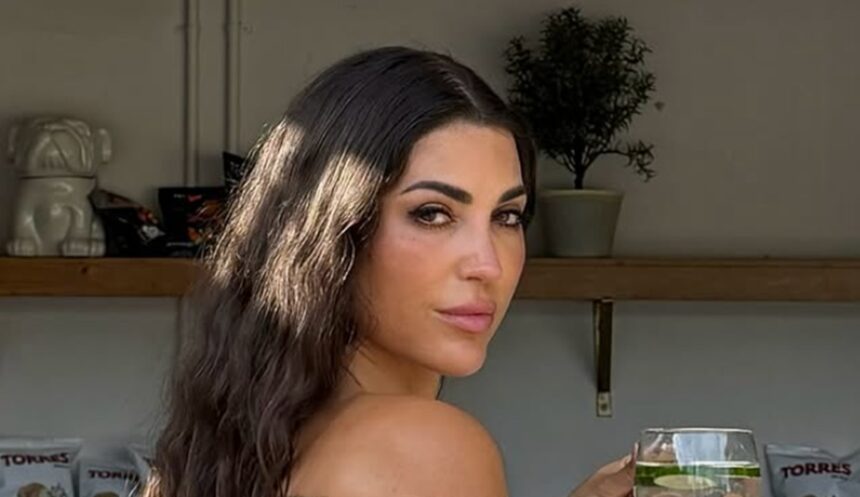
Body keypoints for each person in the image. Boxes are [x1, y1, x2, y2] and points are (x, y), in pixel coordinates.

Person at [146, 46, 635, 497]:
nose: (488, 265)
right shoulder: (420, 448)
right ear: (334, 233)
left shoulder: (260, 441)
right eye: (432, 213)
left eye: (507, 217)